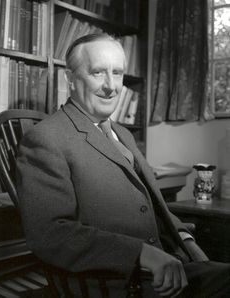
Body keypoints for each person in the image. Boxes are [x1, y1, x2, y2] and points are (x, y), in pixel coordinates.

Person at [16, 33, 230, 297]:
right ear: (69, 79)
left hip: (168, 270)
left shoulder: (122, 134)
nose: (111, 86)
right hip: (118, 283)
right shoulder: (46, 138)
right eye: (98, 73)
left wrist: (185, 239)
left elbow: (151, 205)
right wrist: (142, 254)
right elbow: (49, 234)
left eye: (117, 73)